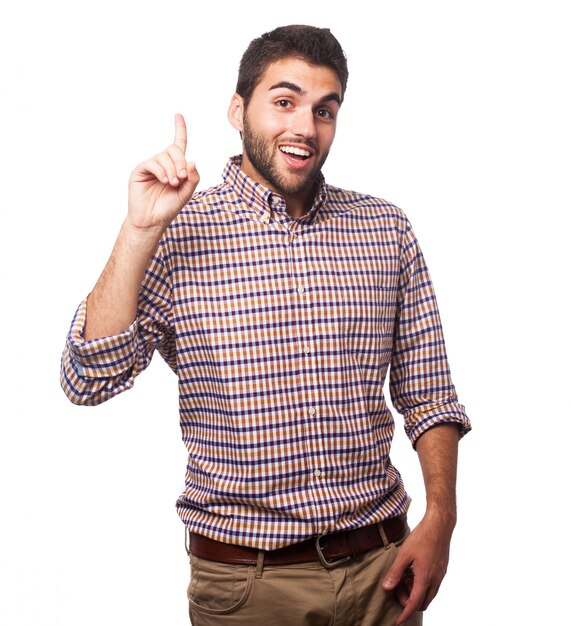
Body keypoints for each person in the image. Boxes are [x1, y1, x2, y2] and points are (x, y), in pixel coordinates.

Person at [61, 24, 471, 626]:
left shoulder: (386, 228)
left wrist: (442, 518)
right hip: (248, 589)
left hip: (384, 570)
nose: (305, 127)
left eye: (324, 110)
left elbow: (430, 395)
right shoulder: (178, 230)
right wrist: (140, 231)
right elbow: (87, 379)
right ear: (237, 109)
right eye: (284, 101)